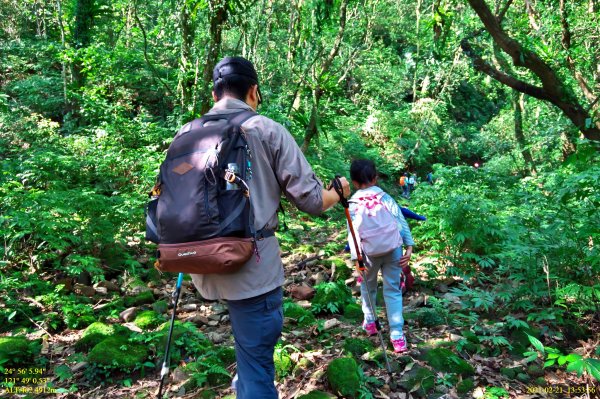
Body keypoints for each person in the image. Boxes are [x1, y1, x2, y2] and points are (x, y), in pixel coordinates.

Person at [188, 56, 350, 399]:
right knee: (257, 365)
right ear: (253, 91)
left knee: (247, 358)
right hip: (252, 265)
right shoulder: (266, 129)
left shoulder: (188, 132)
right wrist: (339, 192)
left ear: (215, 93)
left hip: (199, 263)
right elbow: (311, 202)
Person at [347, 159, 414, 353]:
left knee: (368, 287)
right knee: (392, 290)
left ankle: (370, 323)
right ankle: (397, 335)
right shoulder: (385, 197)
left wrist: (356, 259)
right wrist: (408, 247)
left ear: (353, 182)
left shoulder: (352, 203)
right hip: (393, 249)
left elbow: (352, 233)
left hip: (368, 253)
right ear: (375, 178)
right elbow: (400, 222)